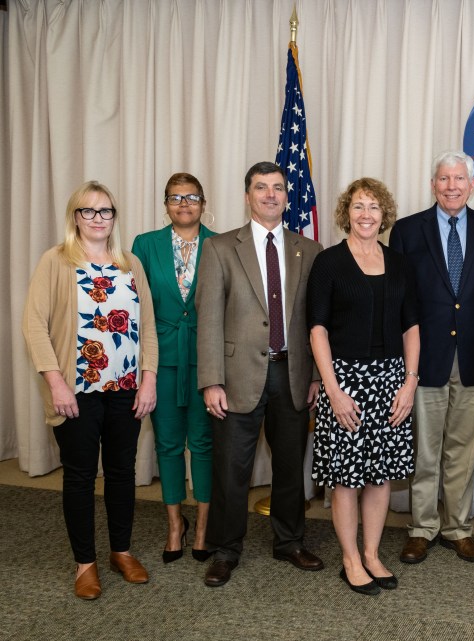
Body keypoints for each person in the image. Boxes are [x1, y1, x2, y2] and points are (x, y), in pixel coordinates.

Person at [22, 181, 158, 599]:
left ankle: (121, 551)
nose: (97, 219)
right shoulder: (57, 261)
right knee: (80, 477)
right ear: (75, 217)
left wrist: (148, 378)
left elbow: (147, 328)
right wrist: (55, 380)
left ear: (115, 218)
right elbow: (34, 325)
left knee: (122, 473)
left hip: (125, 390)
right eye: (88, 211)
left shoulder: (129, 262)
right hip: (75, 391)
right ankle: (85, 564)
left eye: (106, 211)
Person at [196, 161, 324, 587]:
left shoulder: (308, 250)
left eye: (278, 188)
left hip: (292, 374)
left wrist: (317, 378)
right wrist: (211, 380)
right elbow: (209, 319)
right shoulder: (219, 249)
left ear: (287, 196)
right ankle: (226, 550)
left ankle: (289, 542)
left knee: (290, 465)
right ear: (247, 195)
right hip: (235, 378)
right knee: (232, 468)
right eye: (261, 187)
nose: (271, 194)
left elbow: (313, 321)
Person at [390, 151, 474, 565]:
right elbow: (401, 304)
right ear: (433, 184)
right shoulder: (406, 231)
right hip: (426, 360)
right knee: (425, 449)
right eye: (444, 179)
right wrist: (406, 365)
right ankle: (422, 528)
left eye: (459, 179)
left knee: (463, 449)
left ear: (471, 185)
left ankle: (457, 527)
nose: (452, 186)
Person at [307, 178, 419, 596]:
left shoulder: (400, 263)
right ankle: (350, 559)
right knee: (347, 477)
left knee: (380, 475)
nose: (366, 214)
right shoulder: (329, 262)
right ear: (346, 213)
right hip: (346, 382)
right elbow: (316, 329)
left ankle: (372, 554)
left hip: (392, 380)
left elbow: (412, 327)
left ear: (384, 214)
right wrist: (332, 390)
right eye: (358, 206)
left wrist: (409, 383)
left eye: (373, 206)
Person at [131, 173, 216, 563]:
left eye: (192, 197)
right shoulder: (144, 246)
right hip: (160, 361)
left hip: (206, 360)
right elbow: (136, 311)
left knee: (202, 444)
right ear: (165, 204)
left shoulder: (221, 244)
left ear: (203, 203)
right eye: (175, 198)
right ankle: (173, 526)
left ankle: (201, 527)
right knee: (166, 443)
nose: (184, 204)